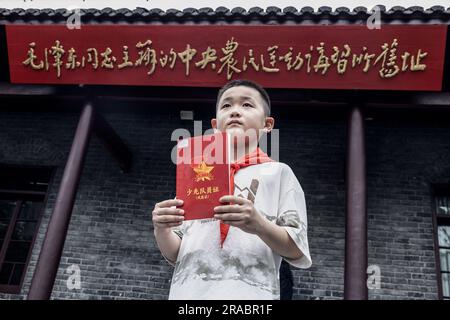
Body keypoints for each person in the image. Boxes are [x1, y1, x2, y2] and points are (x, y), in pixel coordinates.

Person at [152, 79, 312, 300]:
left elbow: (296, 250)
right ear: (215, 124)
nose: (235, 111)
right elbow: (176, 252)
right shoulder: (196, 173)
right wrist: (162, 230)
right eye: (226, 106)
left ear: (268, 124)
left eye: (247, 105)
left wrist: (259, 224)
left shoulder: (279, 173)